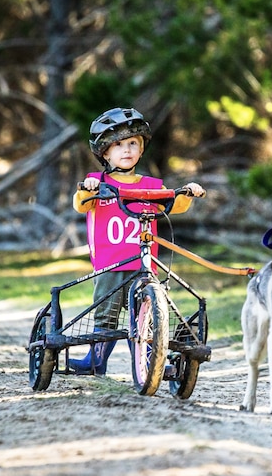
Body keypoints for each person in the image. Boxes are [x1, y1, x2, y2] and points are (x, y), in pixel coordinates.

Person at [68, 107, 205, 375]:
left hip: (144, 263)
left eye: (133, 143)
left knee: (147, 315)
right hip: (110, 264)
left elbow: (174, 205)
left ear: (141, 150)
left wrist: (188, 192)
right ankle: (95, 361)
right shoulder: (98, 182)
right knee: (106, 314)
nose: (127, 150)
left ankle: (151, 363)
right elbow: (80, 205)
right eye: (118, 145)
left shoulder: (152, 186)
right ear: (105, 153)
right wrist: (87, 188)